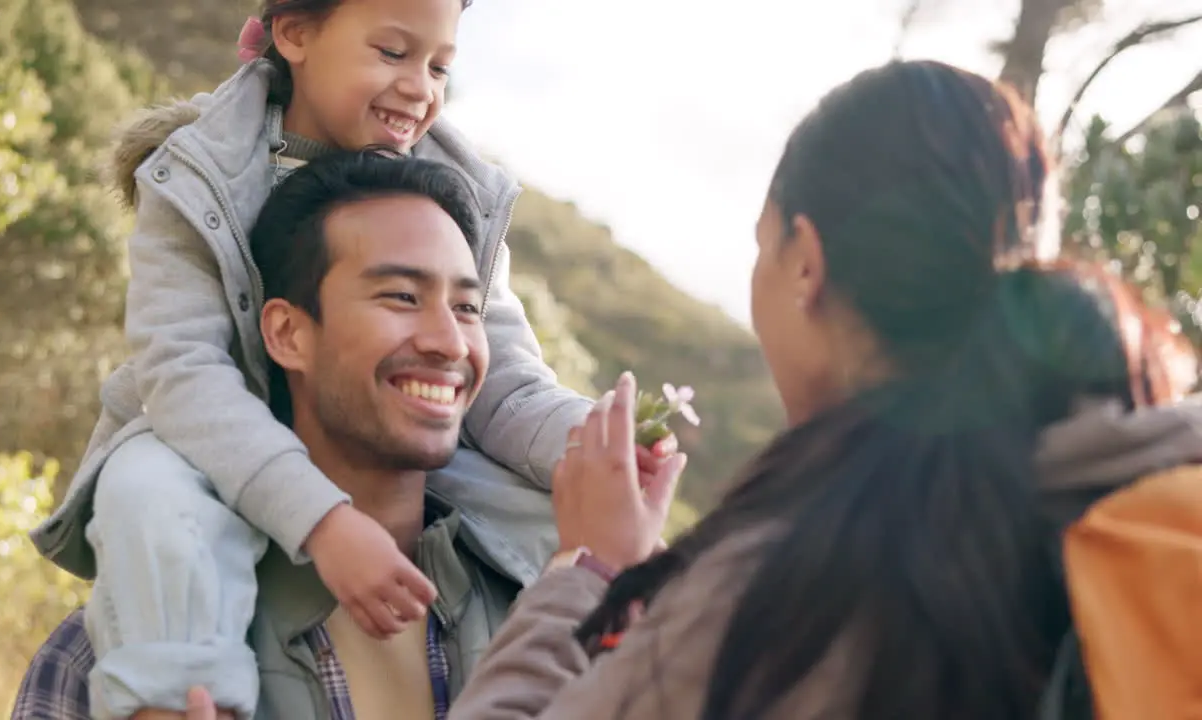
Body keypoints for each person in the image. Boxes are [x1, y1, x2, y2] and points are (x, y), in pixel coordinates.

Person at [427, 60, 1199, 719]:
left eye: (763, 246)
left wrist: (587, 568)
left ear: (806, 263)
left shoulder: (796, 592)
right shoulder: (1160, 495)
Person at [26, 0, 596, 717]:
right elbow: (183, 373)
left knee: (557, 507)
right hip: (202, 433)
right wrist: (322, 520)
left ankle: (605, 633)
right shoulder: (199, 173)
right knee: (146, 493)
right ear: (293, 33)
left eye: (440, 65)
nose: (420, 86)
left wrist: (599, 443)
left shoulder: (460, 192)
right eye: (392, 53)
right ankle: (179, 695)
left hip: (393, 434)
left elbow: (507, 383)